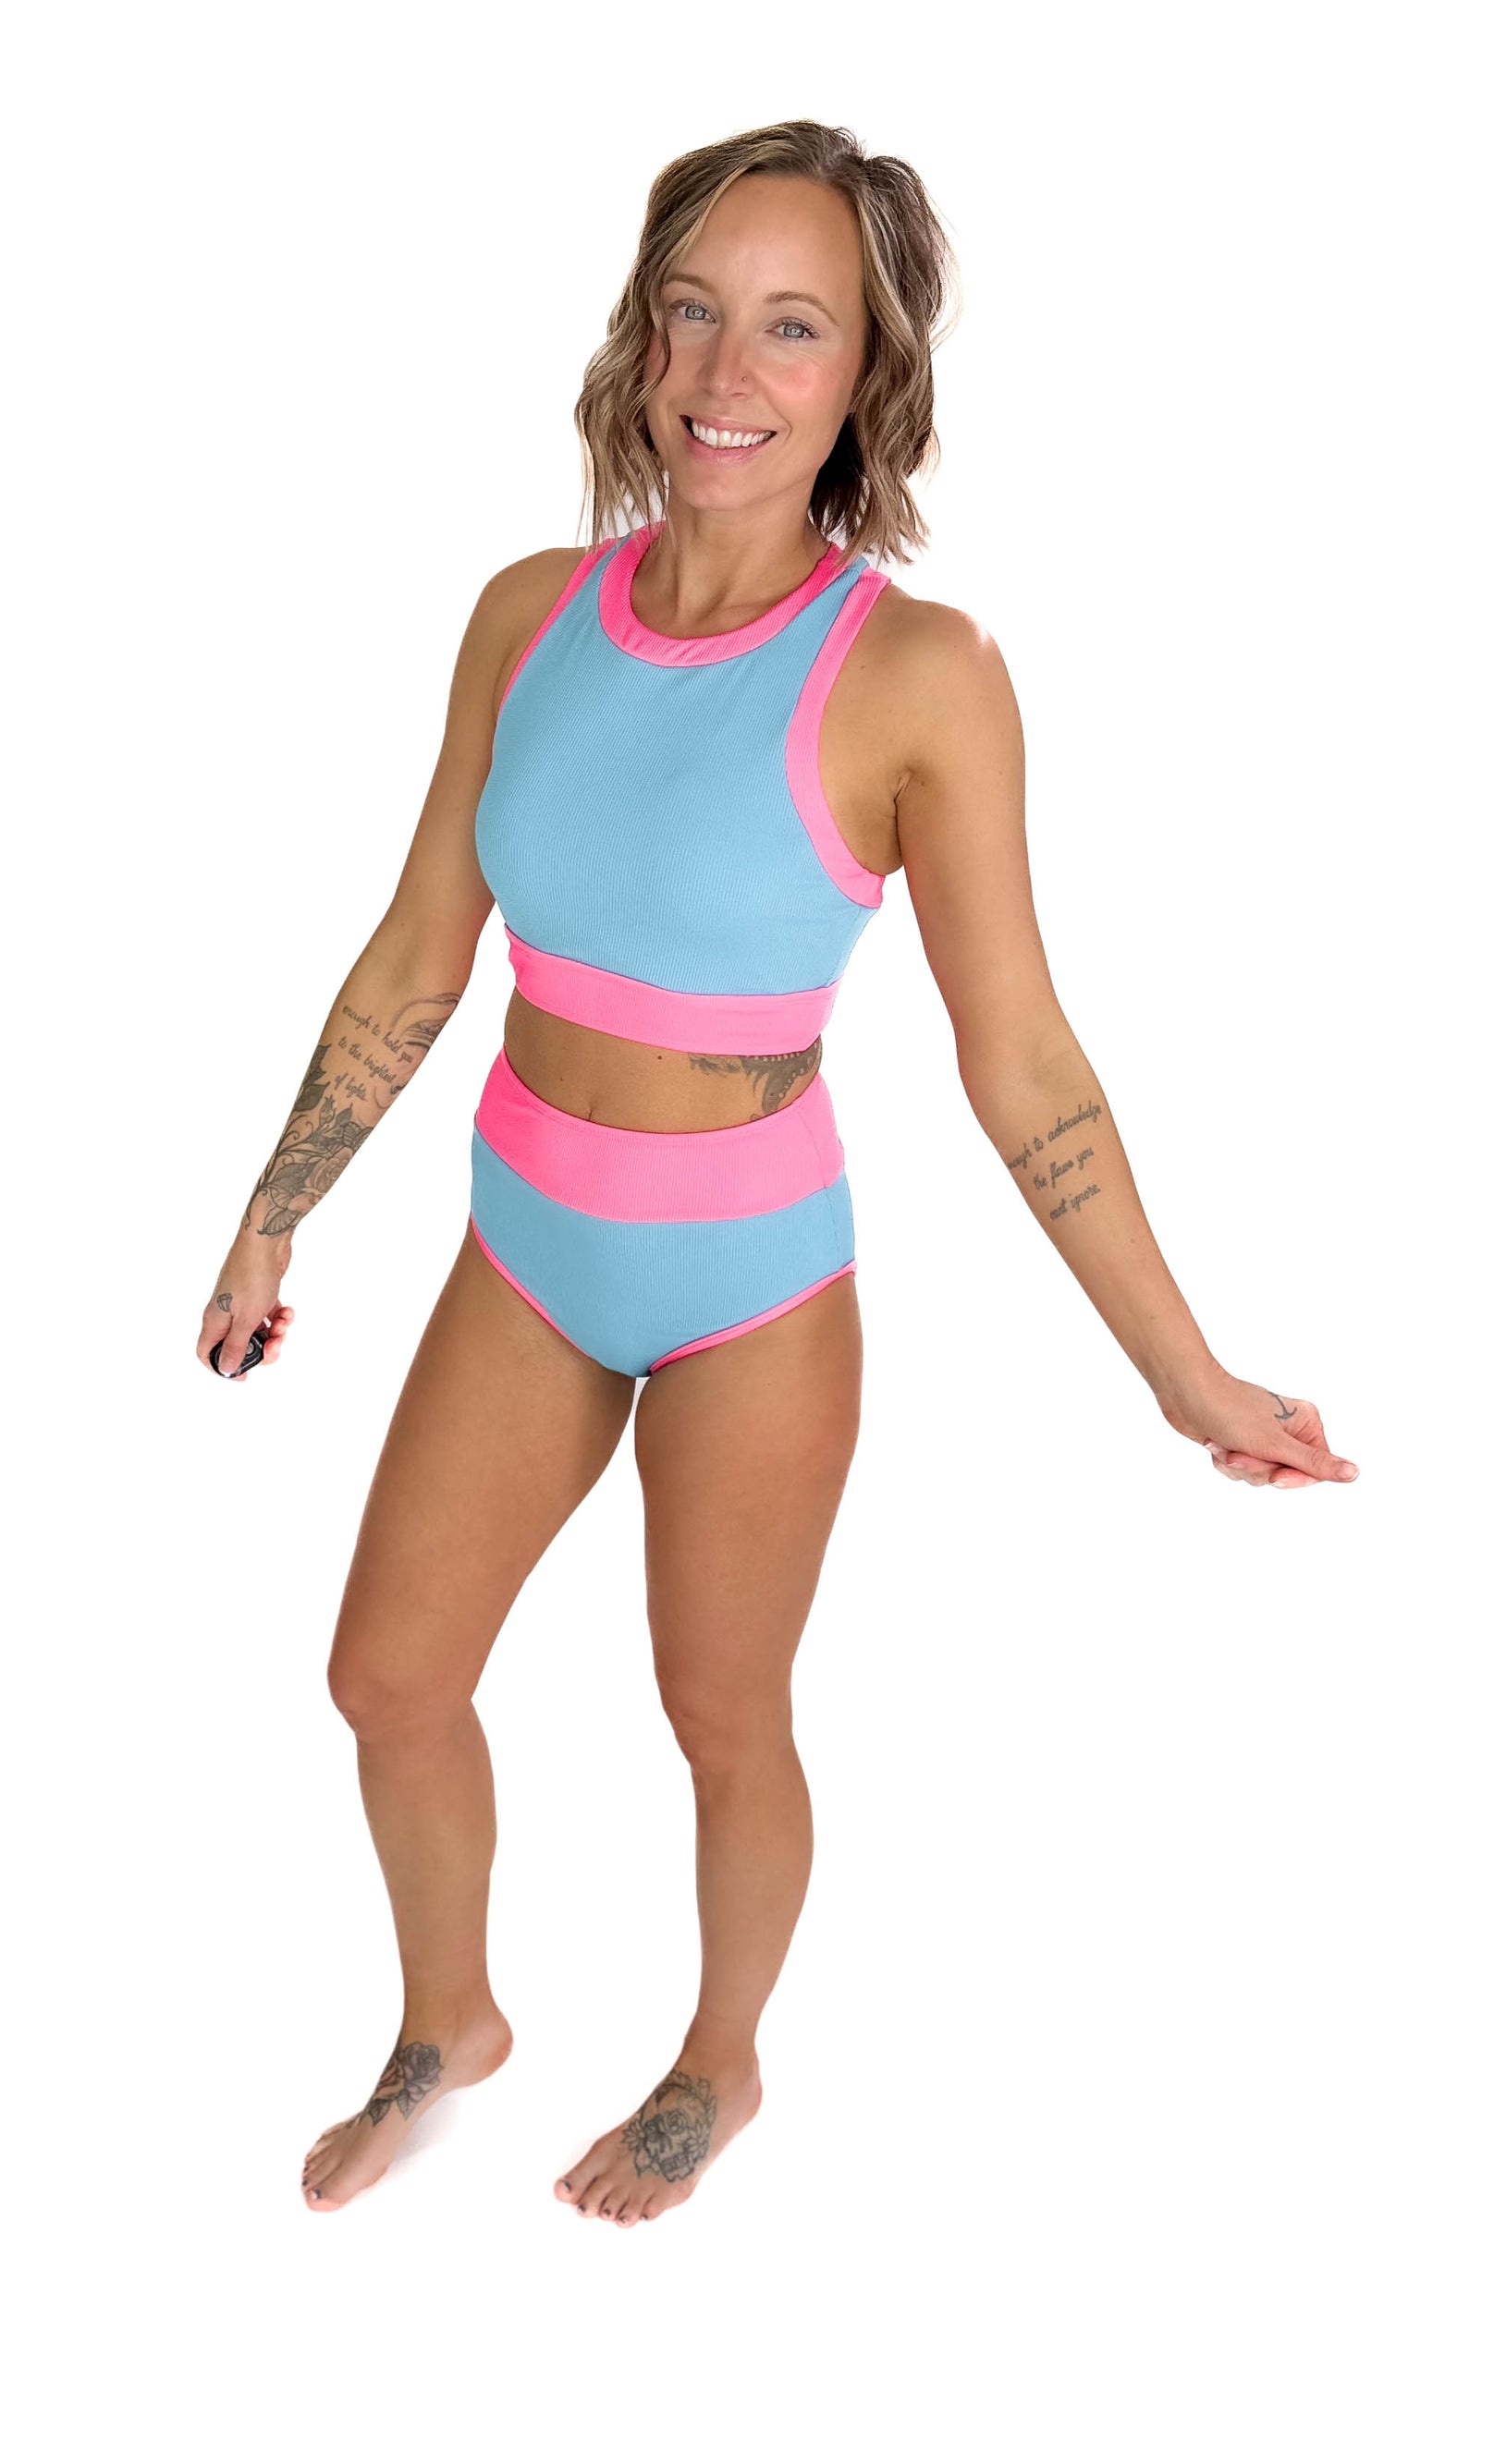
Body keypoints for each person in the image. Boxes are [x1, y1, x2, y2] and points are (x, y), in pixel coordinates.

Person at [196, 119, 1359, 2226]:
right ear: (641, 334)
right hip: (524, 1247)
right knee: (386, 1675)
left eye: (794, 327)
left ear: (865, 377)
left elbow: (1023, 1058)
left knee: (720, 1711)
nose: (726, 372)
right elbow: (417, 947)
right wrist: (276, 1209)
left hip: (747, 1281)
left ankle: (719, 2061)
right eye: (693, 311)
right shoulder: (526, 614)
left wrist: (1182, 1374)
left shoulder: (917, 673)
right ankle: (451, 2014)